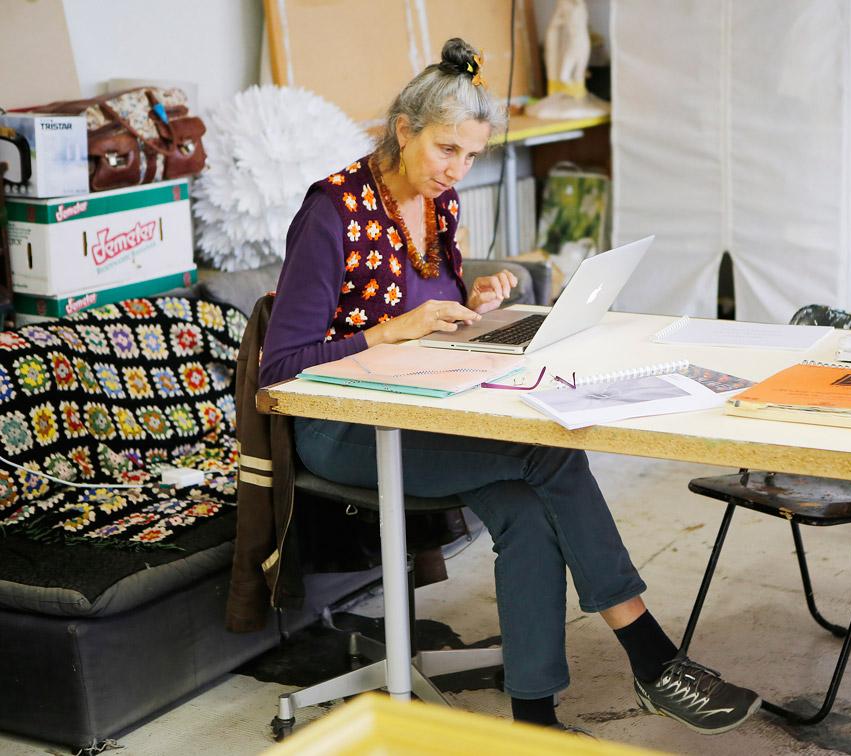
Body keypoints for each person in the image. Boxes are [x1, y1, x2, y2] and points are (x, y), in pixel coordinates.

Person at [259, 38, 760, 735]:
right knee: (547, 449)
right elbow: (280, 366)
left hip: (425, 409)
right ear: (403, 129)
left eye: (470, 156)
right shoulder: (330, 212)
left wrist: (476, 301)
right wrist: (392, 330)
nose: (456, 170)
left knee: (525, 512)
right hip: (343, 429)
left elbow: (431, 306)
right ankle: (651, 655)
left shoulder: (439, 205)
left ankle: (533, 719)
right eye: (446, 150)